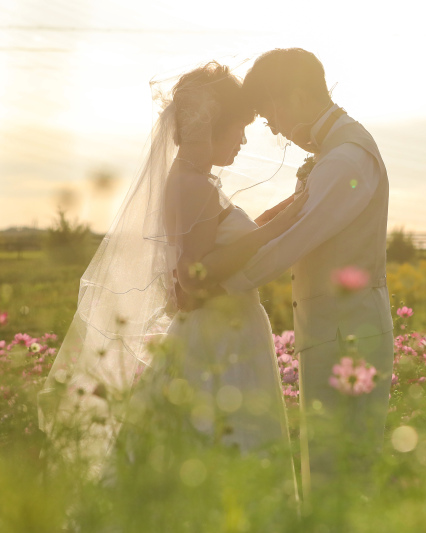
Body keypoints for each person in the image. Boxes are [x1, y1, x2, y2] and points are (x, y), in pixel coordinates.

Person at [38, 62, 306, 495]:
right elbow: (192, 277)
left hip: (227, 332)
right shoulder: (192, 185)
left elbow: (220, 243)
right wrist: (277, 229)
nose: (242, 140)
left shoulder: (194, 180)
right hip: (219, 339)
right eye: (239, 128)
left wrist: (291, 207)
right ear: (214, 125)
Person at [216, 48, 394, 500]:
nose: (272, 128)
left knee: (345, 476)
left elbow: (288, 247)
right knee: (330, 471)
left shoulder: (345, 161)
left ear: (296, 96)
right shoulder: (334, 152)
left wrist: (213, 284)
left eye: (269, 113)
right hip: (335, 333)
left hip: (348, 337)